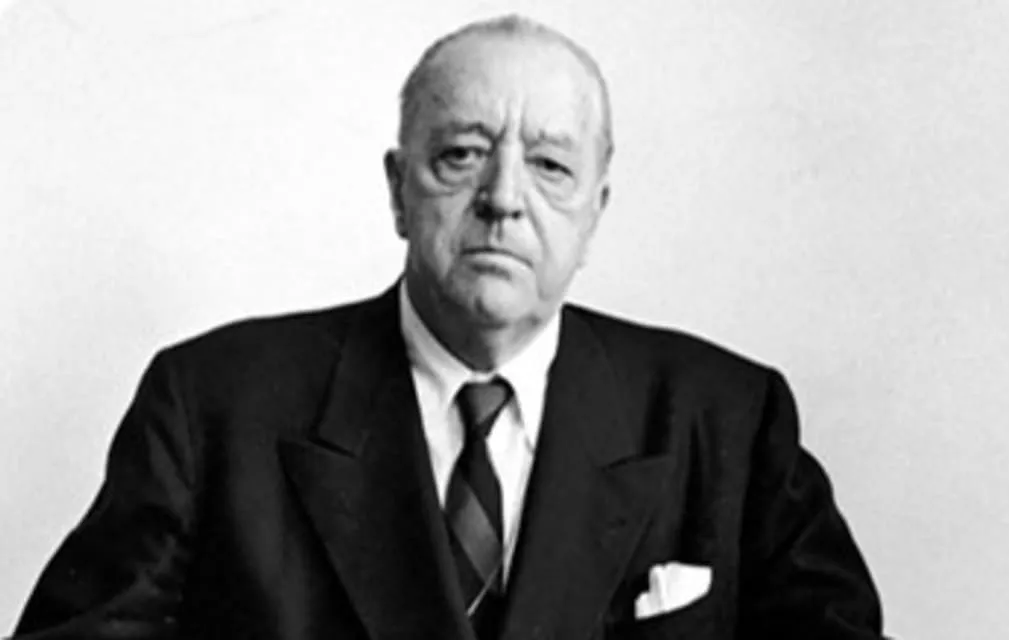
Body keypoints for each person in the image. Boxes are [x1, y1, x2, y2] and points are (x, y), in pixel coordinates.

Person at [12, 14, 886, 640]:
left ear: (595, 211)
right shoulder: (213, 405)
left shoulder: (728, 419)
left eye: (549, 166)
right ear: (398, 190)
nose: (503, 199)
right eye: (462, 155)